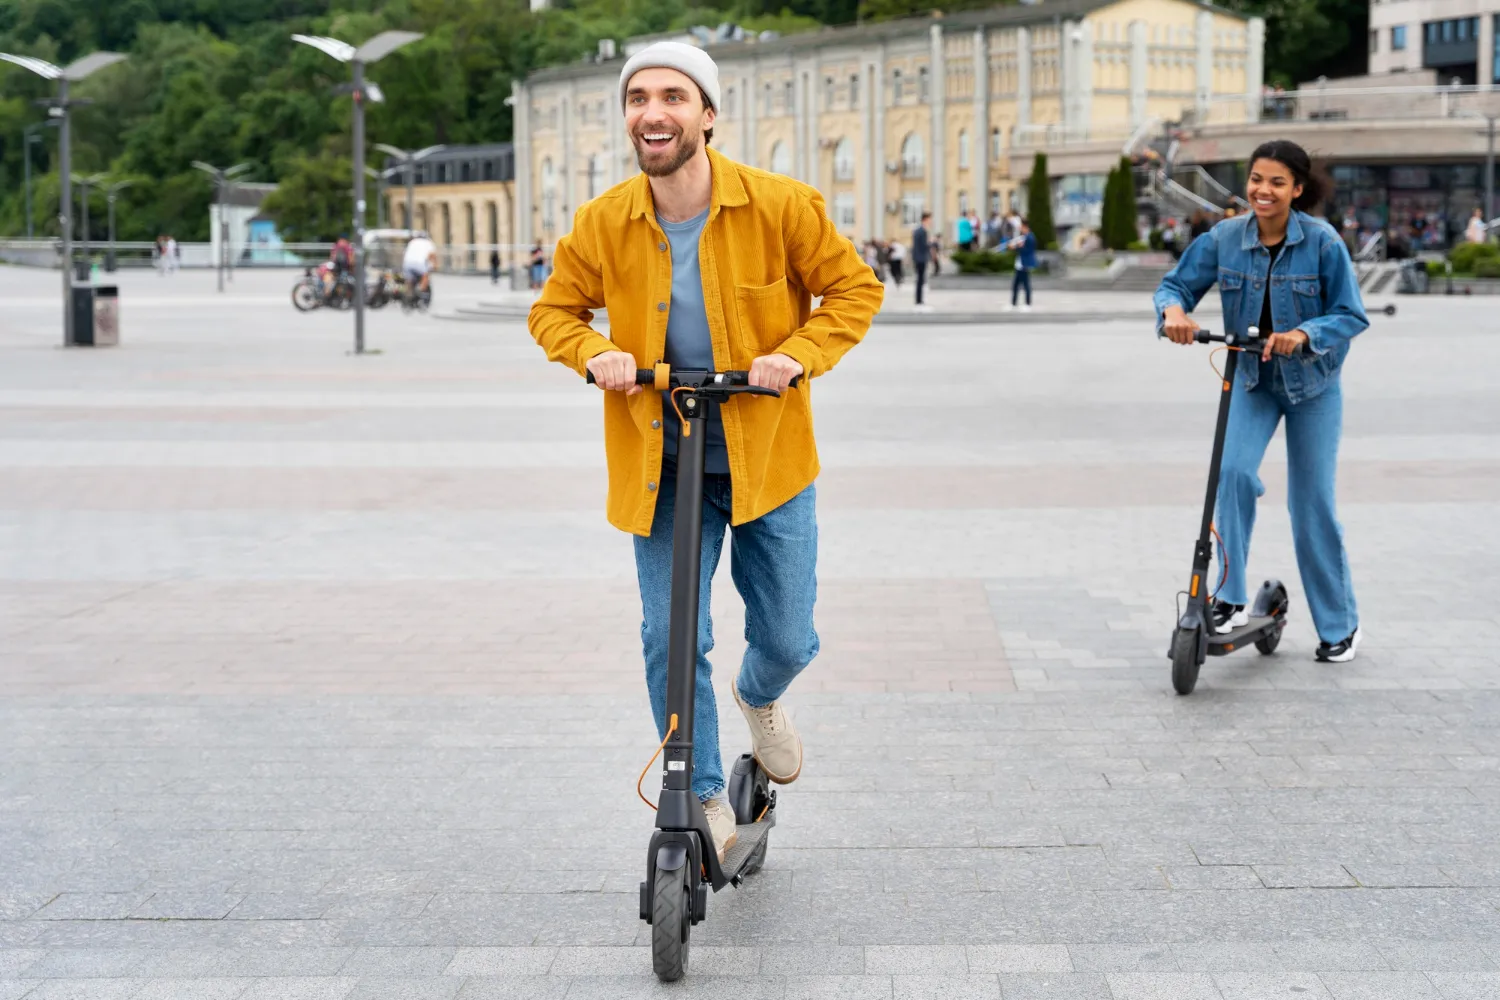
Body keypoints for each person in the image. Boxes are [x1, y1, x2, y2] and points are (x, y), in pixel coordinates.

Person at [527, 41, 883, 862]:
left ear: (708, 115)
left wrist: (797, 353)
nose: (654, 112)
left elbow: (855, 288)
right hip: (662, 464)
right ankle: (707, 794)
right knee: (669, 637)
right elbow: (553, 312)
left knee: (789, 639)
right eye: (639, 98)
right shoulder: (605, 221)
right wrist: (593, 352)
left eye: (674, 97)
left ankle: (759, 698)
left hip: (769, 461)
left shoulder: (780, 205)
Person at [1155, 139, 1368, 663]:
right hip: (1251, 379)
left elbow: (1350, 313)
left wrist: (1306, 332)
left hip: (1313, 386)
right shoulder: (1224, 238)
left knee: (1310, 505)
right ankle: (1227, 598)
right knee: (1231, 475)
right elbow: (1175, 286)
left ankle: (1340, 625)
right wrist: (1174, 314)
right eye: (1256, 179)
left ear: (1297, 189)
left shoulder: (1322, 243)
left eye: (1276, 182)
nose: (1263, 191)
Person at [1005, 218, 1037, 311]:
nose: (1020, 229)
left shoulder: (1030, 237)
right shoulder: (1024, 237)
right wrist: (1015, 246)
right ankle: (1013, 304)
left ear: (1025, 227)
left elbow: (1027, 251)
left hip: (1024, 264)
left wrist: (1017, 247)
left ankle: (1028, 304)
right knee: (1015, 284)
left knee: (1026, 284)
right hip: (1019, 264)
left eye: (1021, 227)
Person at [401, 231, 437, 300]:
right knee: (425, 276)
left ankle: (409, 292)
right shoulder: (428, 243)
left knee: (409, 280)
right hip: (419, 263)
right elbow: (432, 256)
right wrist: (435, 265)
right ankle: (420, 290)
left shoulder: (412, 242)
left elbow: (405, 254)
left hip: (407, 263)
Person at [911, 211, 932, 307]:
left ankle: (918, 299)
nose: (930, 221)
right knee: (920, 280)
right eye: (929, 219)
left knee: (919, 279)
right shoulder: (922, 231)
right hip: (921, 258)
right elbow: (923, 246)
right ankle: (919, 300)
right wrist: (930, 243)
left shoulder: (917, 230)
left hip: (918, 258)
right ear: (925, 219)